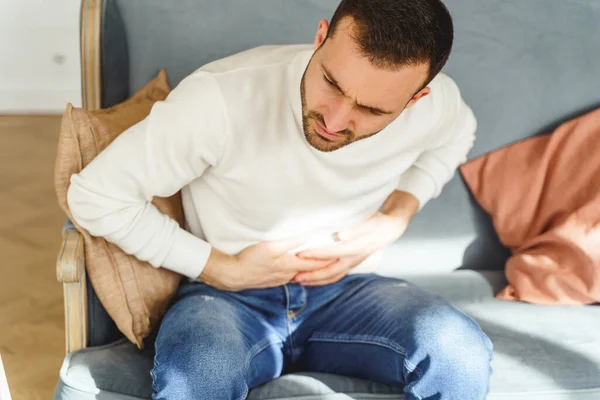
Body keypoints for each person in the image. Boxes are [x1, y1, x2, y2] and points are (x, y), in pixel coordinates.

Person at [67, 0, 493, 398]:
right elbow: (96, 195)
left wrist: (396, 216)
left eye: (373, 110)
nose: (335, 119)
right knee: (198, 374)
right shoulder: (221, 98)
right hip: (226, 299)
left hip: (349, 291)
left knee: (460, 353)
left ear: (417, 98)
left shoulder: (437, 107)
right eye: (331, 82)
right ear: (321, 35)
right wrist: (222, 269)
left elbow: (459, 133)